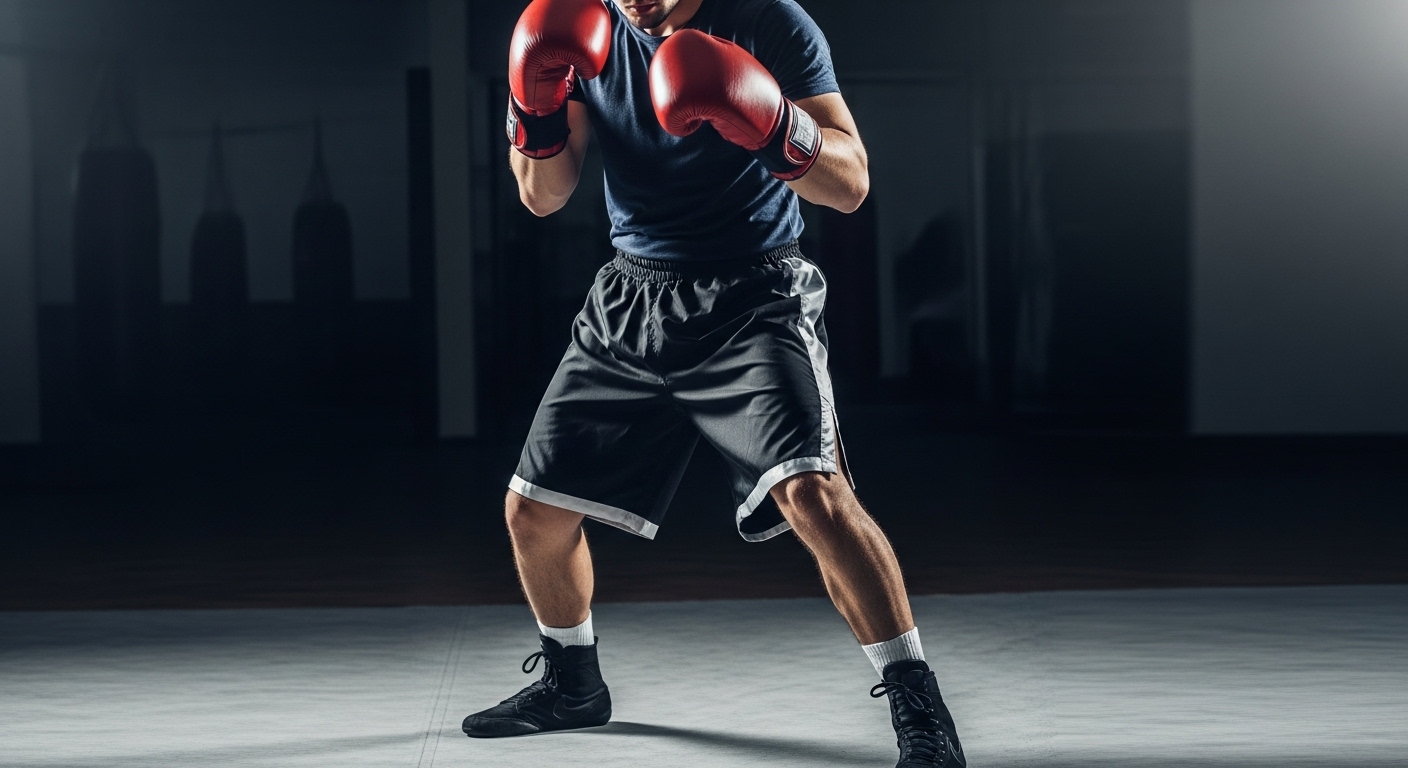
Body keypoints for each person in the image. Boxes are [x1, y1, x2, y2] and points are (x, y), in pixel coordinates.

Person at [462, 0, 965, 764]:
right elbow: (543, 194)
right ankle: (573, 684)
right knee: (533, 513)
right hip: (632, 297)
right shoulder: (579, 23)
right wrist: (533, 105)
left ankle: (918, 706)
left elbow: (851, 183)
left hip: (754, 298)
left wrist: (770, 123)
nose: (636, 3)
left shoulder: (772, 23)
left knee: (814, 496)